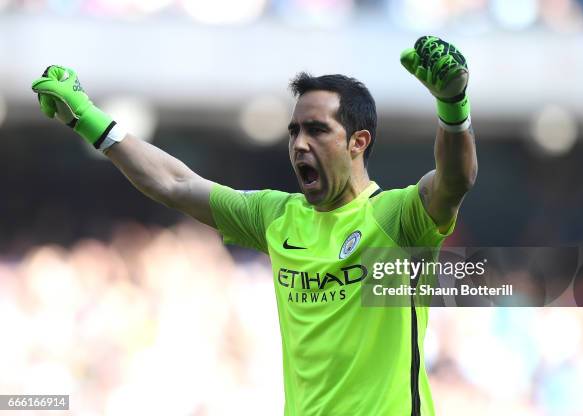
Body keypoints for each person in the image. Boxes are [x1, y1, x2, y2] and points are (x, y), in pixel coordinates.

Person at [31, 36, 477, 415]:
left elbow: (455, 179)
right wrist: (86, 118)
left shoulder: (397, 219)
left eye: (317, 130)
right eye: (294, 131)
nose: (300, 144)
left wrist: (453, 105)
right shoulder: (276, 216)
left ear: (358, 142)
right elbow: (176, 183)